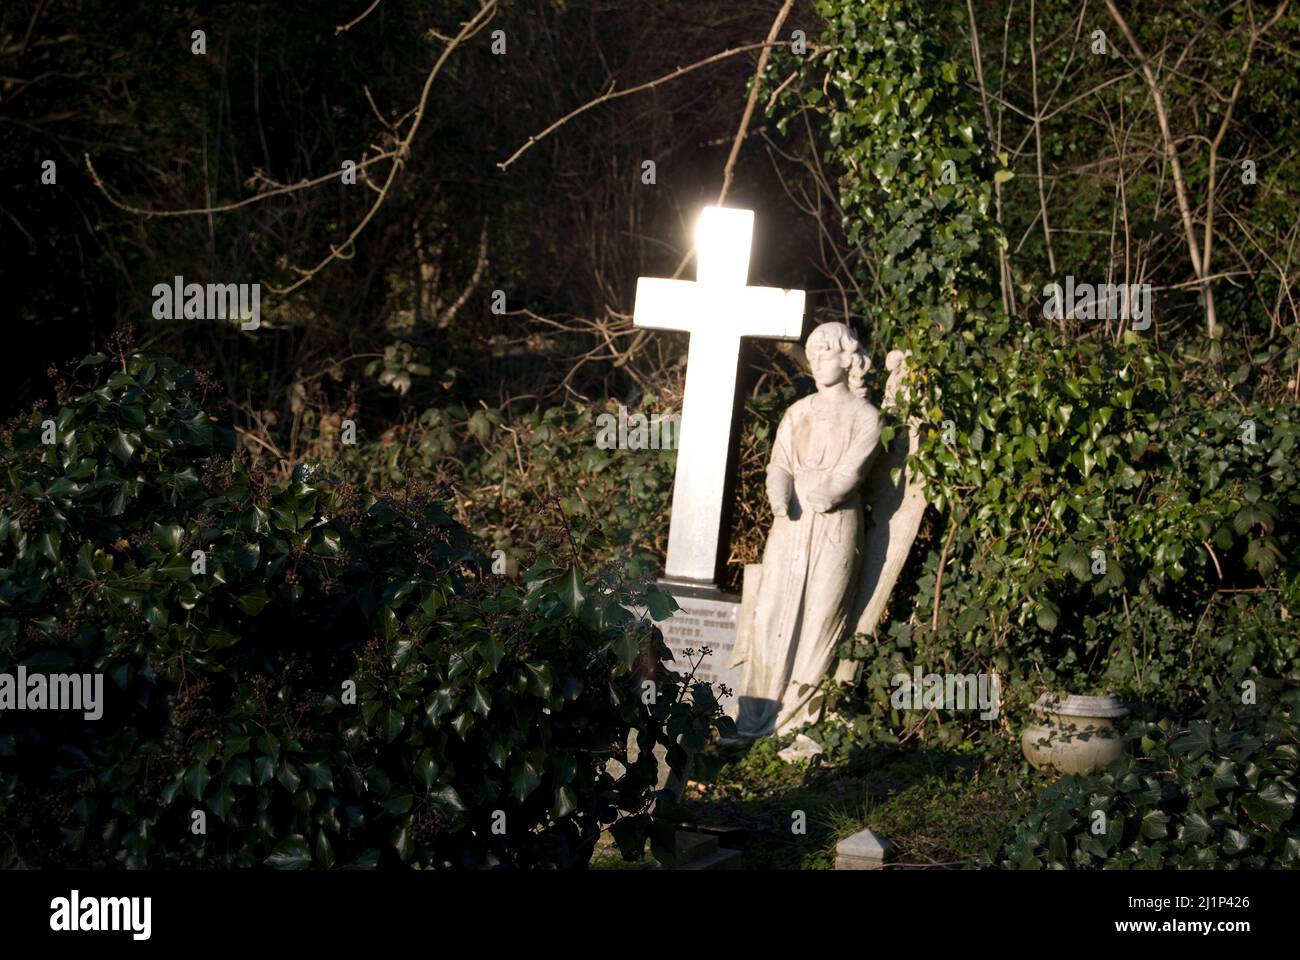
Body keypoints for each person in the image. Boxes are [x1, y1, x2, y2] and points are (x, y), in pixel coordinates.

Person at [733, 321, 881, 737]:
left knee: (820, 618)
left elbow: (852, 470)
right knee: (770, 611)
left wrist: (826, 492)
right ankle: (756, 714)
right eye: (812, 354)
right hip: (791, 522)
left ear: (848, 358)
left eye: (826, 353)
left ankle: (799, 717)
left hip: (834, 525)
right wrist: (779, 493)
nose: (817, 362)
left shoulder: (865, 416)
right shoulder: (797, 412)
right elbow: (779, 463)